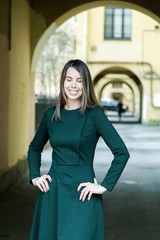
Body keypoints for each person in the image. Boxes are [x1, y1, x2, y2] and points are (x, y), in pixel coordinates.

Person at [28, 59, 130, 240]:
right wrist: (35, 176)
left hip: (83, 194)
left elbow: (121, 152)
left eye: (79, 80)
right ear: (63, 82)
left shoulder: (95, 114)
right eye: (69, 79)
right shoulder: (51, 115)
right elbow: (35, 148)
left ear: (86, 84)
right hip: (53, 192)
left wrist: (104, 186)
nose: (73, 85)